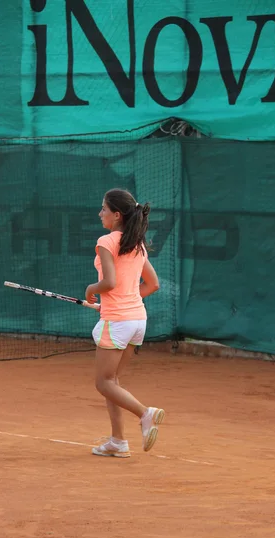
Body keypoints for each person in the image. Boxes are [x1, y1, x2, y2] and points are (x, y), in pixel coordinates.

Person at [85, 188, 165, 458]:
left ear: (117, 214)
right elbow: (152, 284)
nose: (100, 214)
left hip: (118, 321)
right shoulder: (137, 244)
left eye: (104, 209)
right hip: (137, 321)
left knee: (103, 383)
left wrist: (90, 289)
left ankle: (145, 413)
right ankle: (118, 442)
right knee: (113, 380)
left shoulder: (106, 241)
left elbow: (109, 283)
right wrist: (117, 302)